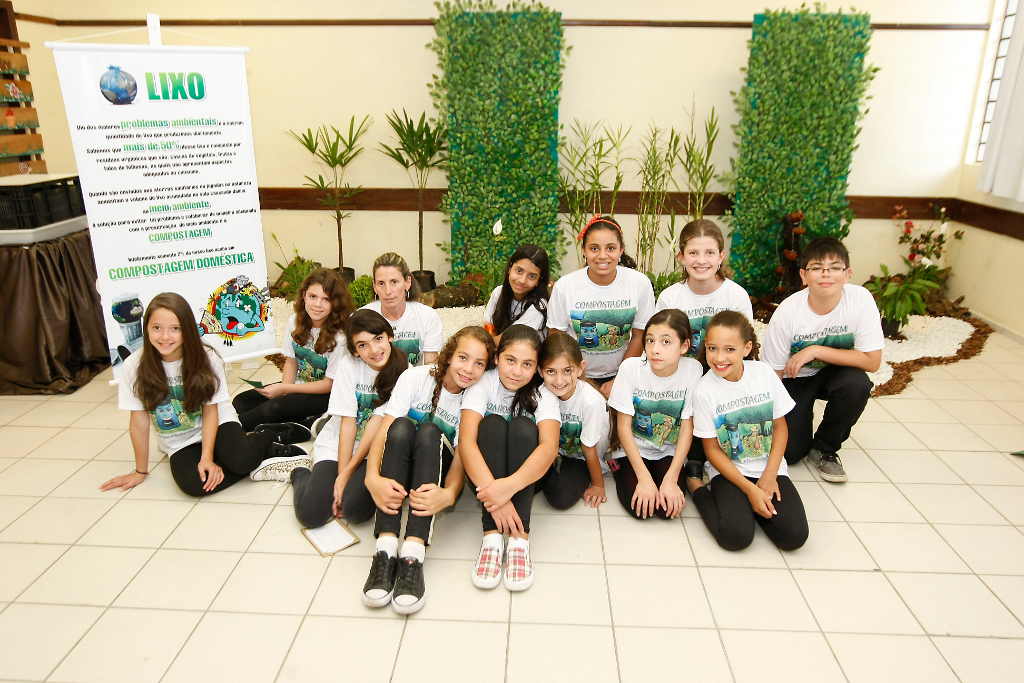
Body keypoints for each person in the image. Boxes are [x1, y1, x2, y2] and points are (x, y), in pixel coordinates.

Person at [101, 293, 308, 497]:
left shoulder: (207, 357)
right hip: (179, 439)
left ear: (187, 330)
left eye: (175, 329)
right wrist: (140, 471)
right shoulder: (134, 365)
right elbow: (138, 420)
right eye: (157, 328)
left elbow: (210, 410)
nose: (165, 336)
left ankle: (267, 436)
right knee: (194, 485)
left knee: (242, 461)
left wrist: (207, 458)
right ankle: (257, 459)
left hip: (217, 422)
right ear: (146, 328)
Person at [361, 326, 496, 614]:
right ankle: (385, 550)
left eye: (479, 363)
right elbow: (384, 431)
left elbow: (462, 454)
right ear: (449, 355)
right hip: (397, 461)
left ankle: (412, 554)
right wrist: (372, 477)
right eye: (463, 357)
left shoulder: (473, 397)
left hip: (434, 467)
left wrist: (449, 494)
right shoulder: (415, 377)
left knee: (429, 432)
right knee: (400, 425)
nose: (469, 369)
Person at [762, 237, 883, 483]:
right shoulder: (788, 312)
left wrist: (815, 350)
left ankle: (825, 447)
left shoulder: (860, 300)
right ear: (804, 276)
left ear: (847, 274)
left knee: (857, 384)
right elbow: (771, 375)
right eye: (817, 268)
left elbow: (872, 361)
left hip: (837, 372)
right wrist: (774, 421)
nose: (826, 275)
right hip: (794, 379)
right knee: (792, 453)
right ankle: (803, 429)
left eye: (835, 268)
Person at [686, 311, 808, 551]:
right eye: (712, 348)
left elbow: (780, 428)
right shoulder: (703, 391)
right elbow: (711, 450)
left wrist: (770, 475)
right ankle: (696, 488)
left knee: (794, 537)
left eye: (729, 349)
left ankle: (755, 508)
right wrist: (750, 489)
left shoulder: (763, 374)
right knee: (735, 537)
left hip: (769, 468)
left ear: (746, 347)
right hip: (730, 472)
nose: (719, 357)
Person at [459, 325, 561, 592]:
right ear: (496, 358)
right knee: (491, 425)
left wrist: (509, 486)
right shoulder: (484, 383)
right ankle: (492, 537)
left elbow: (549, 447)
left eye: (527, 364)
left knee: (523, 428)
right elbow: (467, 442)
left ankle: (519, 539)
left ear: (538, 367)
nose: (517, 372)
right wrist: (498, 499)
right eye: (510, 361)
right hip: (485, 479)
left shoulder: (542, 393)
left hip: (526, 480)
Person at [289, 310, 408, 528]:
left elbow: (376, 426)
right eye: (362, 345)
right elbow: (348, 424)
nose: (374, 350)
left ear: (389, 336)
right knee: (310, 515)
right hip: (339, 442)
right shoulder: (348, 366)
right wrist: (341, 476)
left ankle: (345, 478)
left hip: (373, 449)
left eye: (378, 339)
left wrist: (347, 475)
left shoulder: (405, 372)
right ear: (354, 351)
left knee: (355, 510)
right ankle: (300, 473)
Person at [231, 268, 353, 437]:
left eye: (326, 299)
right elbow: (291, 361)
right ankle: (301, 421)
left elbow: (329, 384)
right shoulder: (295, 321)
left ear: (336, 303)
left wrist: (284, 391)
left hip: (326, 395)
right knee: (242, 401)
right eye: (313, 296)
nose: (318, 304)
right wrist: (285, 392)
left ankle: (227, 431)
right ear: (303, 296)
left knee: (273, 408)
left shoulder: (340, 338)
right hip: (297, 386)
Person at [607, 309, 703, 519]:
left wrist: (671, 478)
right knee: (640, 509)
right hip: (631, 449)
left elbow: (687, 427)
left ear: (684, 346)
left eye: (666, 342)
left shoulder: (693, 370)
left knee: (665, 510)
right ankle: (617, 468)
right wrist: (644, 479)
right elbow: (623, 427)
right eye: (650, 340)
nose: (655, 350)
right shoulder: (631, 368)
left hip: (667, 449)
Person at [548, 215, 655, 398]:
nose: (602, 256)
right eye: (594, 248)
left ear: (621, 250)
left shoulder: (640, 284)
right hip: (574, 376)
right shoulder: (566, 287)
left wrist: (620, 380)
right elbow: (556, 338)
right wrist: (576, 379)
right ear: (584, 250)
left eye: (611, 248)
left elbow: (639, 337)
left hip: (623, 373)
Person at [655, 218, 754, 359]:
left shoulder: (736, 296)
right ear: (682, 257)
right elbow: (660, 348)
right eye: (693, 253)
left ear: (721, 257)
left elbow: (744, 349)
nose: (701, 260)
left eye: (710, 253)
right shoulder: (669, 298)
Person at [538, 331, 611, 509]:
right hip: (556, 451)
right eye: (550, 371)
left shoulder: (590, 401)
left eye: (567, 371)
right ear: (540, 371)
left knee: (561, 497)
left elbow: (589, 448)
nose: (559, 380)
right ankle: (547, 468)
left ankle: (548, 471)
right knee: (525, 485)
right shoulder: (542, 392)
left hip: (582, 457)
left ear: (580, 368)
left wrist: (598, 485)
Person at [362, 252, 443, 366]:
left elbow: (431, 368)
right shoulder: (361, 319)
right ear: (375, 287)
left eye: (394, 282)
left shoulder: (428, 317)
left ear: (407, 282)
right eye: (381, 283)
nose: (388, 291)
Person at [483, 244, 550, 342]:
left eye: (531, 276)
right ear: (510, 268)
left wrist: (484, 343)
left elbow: (508, 341)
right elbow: (487, 325)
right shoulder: (498, 293)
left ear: (539, 281)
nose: (522, 280)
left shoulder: (539, 306)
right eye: (519, 271)